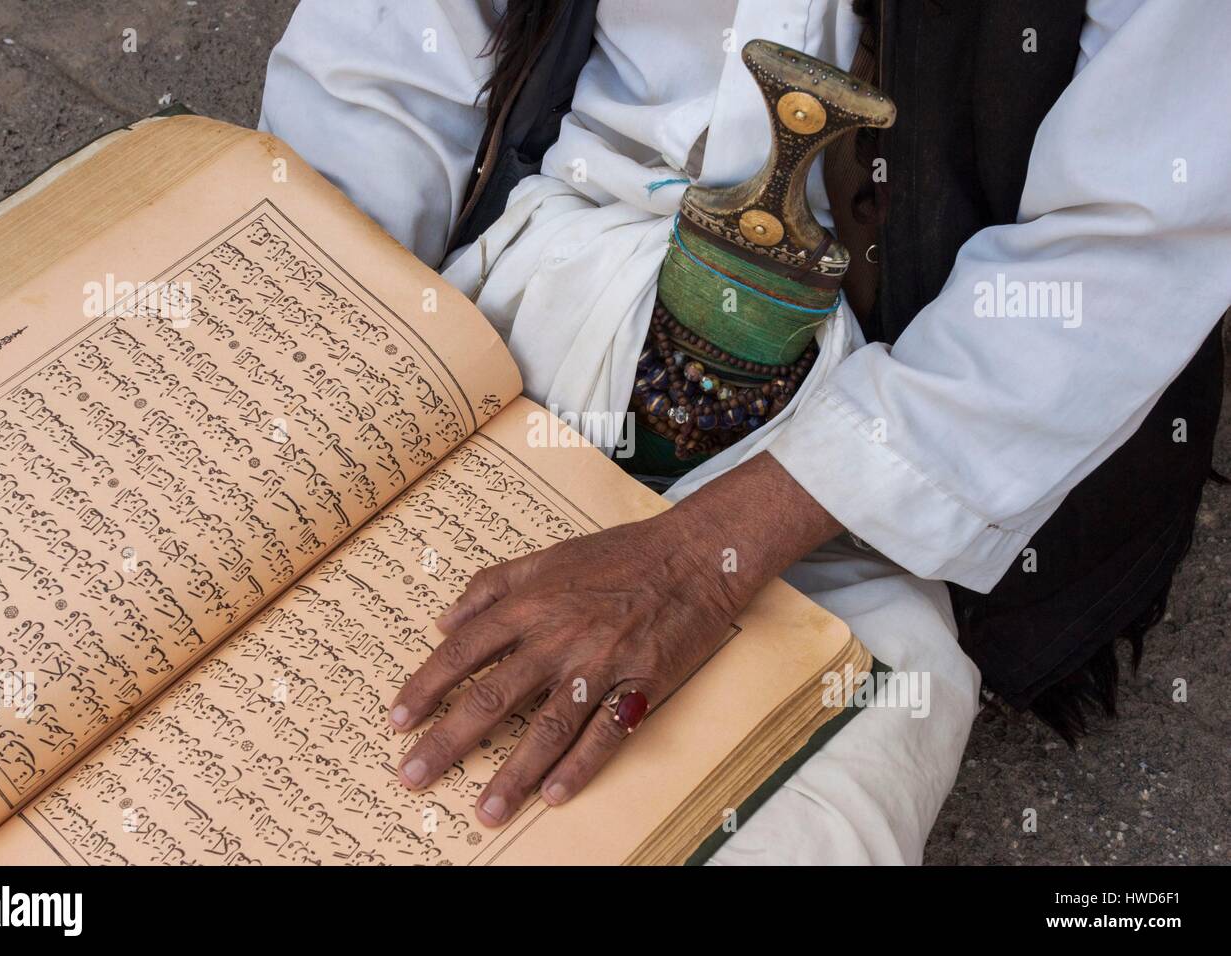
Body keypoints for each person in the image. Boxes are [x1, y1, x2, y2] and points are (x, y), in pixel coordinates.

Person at [259, 0, 1230, 864]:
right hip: (513, 298)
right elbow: (393, 53)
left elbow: (1123, 245)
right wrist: (325, 354)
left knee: (800, 808)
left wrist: (697, 564)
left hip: (854, 437)